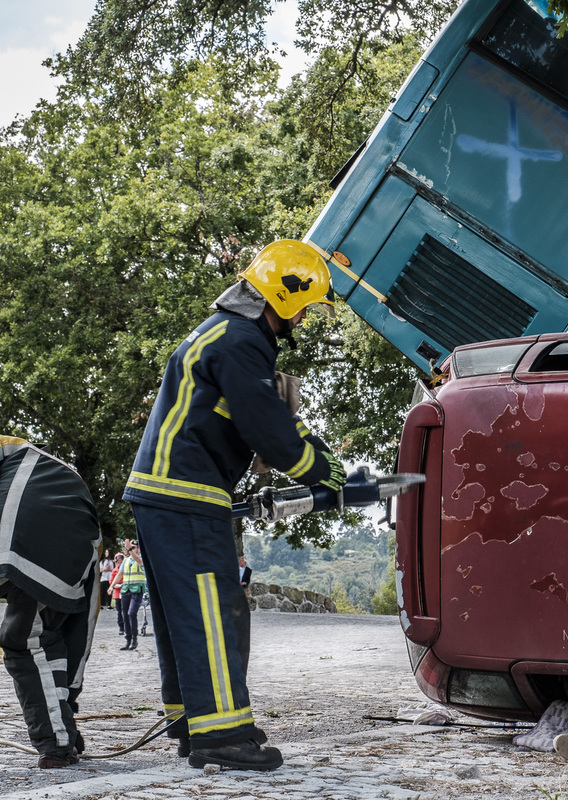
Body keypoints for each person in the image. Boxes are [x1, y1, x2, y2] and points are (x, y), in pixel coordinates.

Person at [123, 240, 346, 772]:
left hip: (165, 491)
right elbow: (268, 430)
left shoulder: (225, 334)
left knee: (184, 614)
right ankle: (222, 736)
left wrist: (307, 449)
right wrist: (321, 469)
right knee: (213, 610)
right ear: (285, 298)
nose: (305, 319)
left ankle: (195, 722)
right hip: (186, 492)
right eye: (307, 307)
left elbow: (263, 415)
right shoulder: (242, 341)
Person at [0, 435, 100, 771]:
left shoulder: (7, 444)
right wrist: (69, 705)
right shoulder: (80, 491)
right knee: (32, 640)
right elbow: (84, 619)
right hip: (59, 562)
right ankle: (57, 744)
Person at [110, 541, 147, 650]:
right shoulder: (126, 560)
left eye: (133, 547)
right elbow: (119, 574)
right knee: (125, 615)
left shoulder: (142, 558)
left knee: (131, 613)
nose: (130, 549)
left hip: (137, 590)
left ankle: (134, 639)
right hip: (126, 590)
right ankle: (128, 640)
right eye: (130, 547)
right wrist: (111, 586)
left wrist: (130, 549)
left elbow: (139, 561)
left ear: (138, 549)